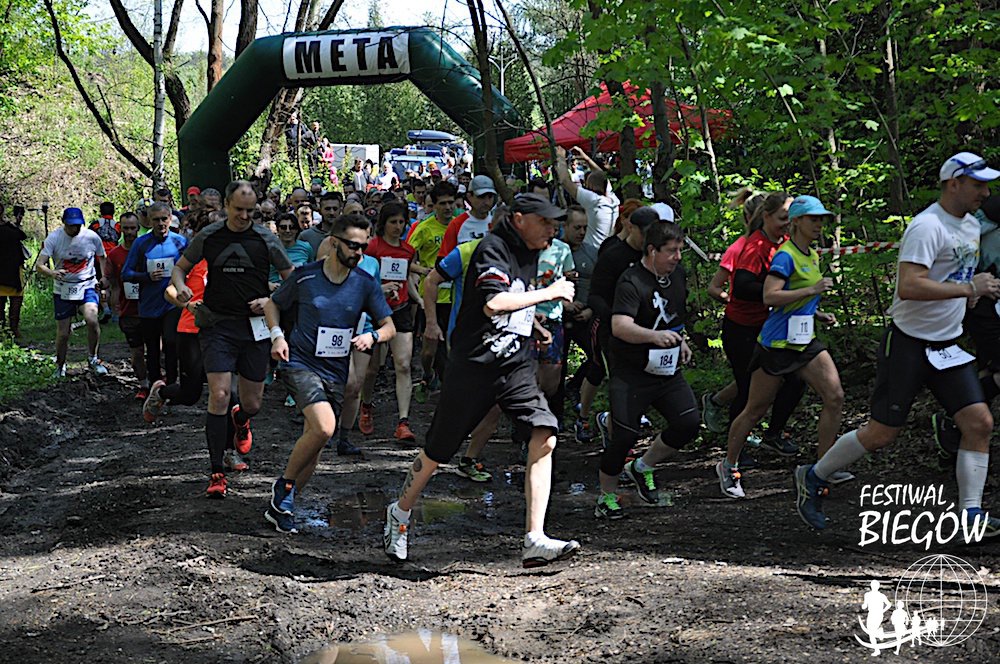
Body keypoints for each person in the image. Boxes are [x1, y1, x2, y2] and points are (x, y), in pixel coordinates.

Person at [795, 153, 1000, 535]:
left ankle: (970, 516)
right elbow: (908, 285)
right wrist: (967, 288)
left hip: (947, 345)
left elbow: (955, 276)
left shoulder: (972, 225)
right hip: (908, 344)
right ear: (953, 183)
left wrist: (969, 295)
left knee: (979, 423)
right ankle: (814, 475)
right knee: (882, 433)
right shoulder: (927, 226)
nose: (985, 193)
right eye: (977, 185)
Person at [383, 193, 580, 568]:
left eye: (555, 222)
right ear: (520, 219)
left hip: (515, 365)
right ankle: (400, 512)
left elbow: (514, 302)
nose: (553, 230)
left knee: (545, 434)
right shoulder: (492, 249)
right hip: (475, 366)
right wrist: (550, 293)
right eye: (545, 222)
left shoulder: (531, 250)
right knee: (438, 451)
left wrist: (534, 325)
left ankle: (535, 539)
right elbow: (493, 303)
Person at [264, 214, 395, 532]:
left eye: (363, 247)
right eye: (352, 245)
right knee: (324, 427)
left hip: (335, 372)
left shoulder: (364, 283)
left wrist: (372, 336)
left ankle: (283, 506)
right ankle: (283, 487)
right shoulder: (306, 276)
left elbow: (389, 326)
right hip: (300, 364)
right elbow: (272, 304)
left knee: (315, 447)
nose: (358, 253)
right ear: (334, 242)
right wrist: (277, 336)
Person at [169, 181, 294, 496]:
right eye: (239, 209)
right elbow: (179, 269)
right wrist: (181, 288)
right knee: (220, 395)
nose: (244, 216)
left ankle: (242, 419)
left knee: (252, 403)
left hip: (255, 328)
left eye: (250, 211)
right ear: (226, 205)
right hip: (217, 325)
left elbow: (291, 280)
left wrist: (271, 300)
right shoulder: (209, 237)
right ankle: (216, 473)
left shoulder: (265, 239)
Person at [716, 195, 845, 499]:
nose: (819, 225)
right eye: (813, 219)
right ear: (797, 221)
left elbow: (796, 296)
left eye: (822, 219)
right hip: (777, 343)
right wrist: (812, 289)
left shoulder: (811, 255)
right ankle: (728, 465)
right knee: (755, 409)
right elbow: (770, 296)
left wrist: (817, 312)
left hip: (804, 340)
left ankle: (823, 468)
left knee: (835, 396)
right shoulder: (785, 256)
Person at [595, 221, 700, 518]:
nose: (677, 257)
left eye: (680, 250)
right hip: (632, 371)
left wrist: (681, 341)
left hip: (666, 369)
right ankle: (606, 496)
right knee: (624, 436)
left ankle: (643, 467)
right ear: (652, 251)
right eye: (672, 251)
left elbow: (674, 317)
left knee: (688, 423)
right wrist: (653, 337)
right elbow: (620, 326)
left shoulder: (676, 276)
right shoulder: (631, 282)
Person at [718, 191, 807, 463]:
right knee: (748, 390)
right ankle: (736, 450)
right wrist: (774, 293)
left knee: (796, 379)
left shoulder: (786, 243)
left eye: (792, 218)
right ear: (767, 217)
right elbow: (742, 287)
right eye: (783, 218)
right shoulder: (754, 246)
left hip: (772, 326)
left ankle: (774, 434)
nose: (788, 223)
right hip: (742, 329)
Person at [359, 203, 419, 441]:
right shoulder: (372, 247)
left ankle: (403, 422)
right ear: (383, 223)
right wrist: (380, 289)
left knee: (403, 365)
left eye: (402, 222)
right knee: (372, 368)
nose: (398, 226)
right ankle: (366, 405)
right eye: (393, 222)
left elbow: (406, 278)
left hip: (400, 309)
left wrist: (418, 299)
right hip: (375, 311)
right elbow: (362, 278)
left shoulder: (408, 250)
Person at [35, 207, 110, 377]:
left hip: (87, 284)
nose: (74, 229)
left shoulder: (91, 237)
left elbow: (102, 257)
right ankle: (60, 365)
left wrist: (104, 277)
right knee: (63, 333)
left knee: (92, 320)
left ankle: (93, 358)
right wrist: (52, 273)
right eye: (70, 225)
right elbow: (40, 265)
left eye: (77, 225)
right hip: (63, 288)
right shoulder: (54, 238)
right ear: (64, 223)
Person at [121, 202, 188, 388]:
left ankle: (173, 384)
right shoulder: (141, 243)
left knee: (171, 343)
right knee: (152, 348)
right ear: (149, 221)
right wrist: (146, 276)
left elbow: (192, 269)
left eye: (164, 219)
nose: (160, 223)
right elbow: (126, 273)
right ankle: (155, 385)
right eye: (156, 220)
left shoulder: (180, 242)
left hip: (172, 304)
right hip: (149, 305)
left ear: (170, 219)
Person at [405, 181, 457, 404]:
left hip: (456, 296)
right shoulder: (423, 228)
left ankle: (450, 392)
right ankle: (427, 374)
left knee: (449, 348)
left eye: (451, 203)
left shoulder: (460, 226)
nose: (447, 207)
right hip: (431, 296)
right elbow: (405, 259)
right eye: (442, 204)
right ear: (433, 206)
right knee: (429, 351)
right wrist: (425, 271)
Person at [106, 213, 148, 399]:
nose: (129, 232)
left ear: (138, 228)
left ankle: (158, 381)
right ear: (120, 229)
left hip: (150, 308)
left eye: (132, 228)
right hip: (128, 311)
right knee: (136, 352)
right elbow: (112, 282)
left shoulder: (148, 249)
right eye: (126, 228)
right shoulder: (115, 254)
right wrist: (113, 305)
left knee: (156, 349)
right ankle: (143, 385)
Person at [555, 146, 619, 253]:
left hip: (592, 252)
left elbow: (565, 181)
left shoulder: (594, 201)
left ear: (591, 186)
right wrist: (585, 158)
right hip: (608, 250)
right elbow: (601, 175)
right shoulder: (613, 199)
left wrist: (561, 157)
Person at [436, 175, 496, 259]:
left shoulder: (498, 222)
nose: (486, 202)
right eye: (481, 197)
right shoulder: (457, 224)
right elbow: (444, 259)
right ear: (469, 196)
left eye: (490, 197)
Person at [0, 202, 28, 338]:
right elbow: (21, 235)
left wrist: (15, 223)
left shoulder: (9, 228)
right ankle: (11, 329)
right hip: (10, 270)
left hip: (12, 269)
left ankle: (9, 328)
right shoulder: (10, 228)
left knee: (14, 298)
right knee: (14, 299)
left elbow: (21, 235)